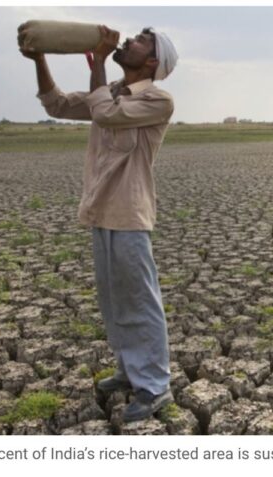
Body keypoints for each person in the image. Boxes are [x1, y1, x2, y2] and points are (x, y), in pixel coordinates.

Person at [19, 23, 179, 423]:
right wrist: (40, 58)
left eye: (140, 40)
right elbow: (55, 104)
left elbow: (105, 115)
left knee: (140, 301)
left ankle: (155, 387)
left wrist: (101, 61)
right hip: (101, 210)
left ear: (153, 59)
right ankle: (130, 370)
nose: (129, 40)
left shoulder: (157, 100)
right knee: (114, 301)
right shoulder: (108, 93)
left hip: (128, 212)